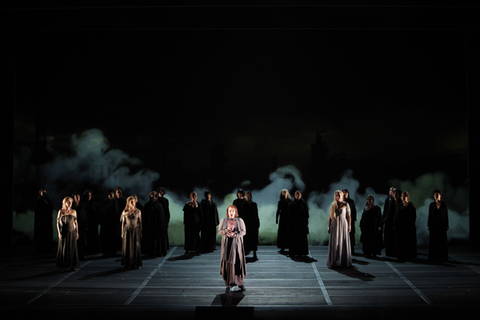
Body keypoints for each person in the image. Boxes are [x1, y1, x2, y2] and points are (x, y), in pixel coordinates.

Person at [218, 205, 247, 292]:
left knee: (237, 263)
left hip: (237, 245)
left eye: (233, 211)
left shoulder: (239, 220)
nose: (231, 213)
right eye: (230, 211)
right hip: (227, 245)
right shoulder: (224, 220)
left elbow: (243, 232)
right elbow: (220, 232)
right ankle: (228, 284)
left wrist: (234, 235)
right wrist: (227, 230)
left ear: (235, 212)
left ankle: (239, 283)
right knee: (228, 263)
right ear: (228, 212)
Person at [327, 190, 352, 268]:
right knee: (335, 241)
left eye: (338, 195)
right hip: (335, 224)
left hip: (343, 224)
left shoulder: (346, 204)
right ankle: (335, 260)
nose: (337, 196)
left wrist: (349, 226)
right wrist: (329, 226)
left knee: (343, 241)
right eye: (336, 195)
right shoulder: (333, 205)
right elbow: (330, 217)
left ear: (341, 196)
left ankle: (343, 261)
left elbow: (349, 216)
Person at [56, 197, 79, 272]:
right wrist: (59, 233)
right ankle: (63, 265)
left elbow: (75, 223)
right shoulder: (61, 211)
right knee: (64, 248)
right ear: (65, 203)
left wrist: (77, 232)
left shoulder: (73, 212)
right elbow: (57, 223)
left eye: (71, 202)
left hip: (72, 232)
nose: (70, 204)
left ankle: (72, 265)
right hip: (64, 232)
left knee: (72, 248)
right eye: (68, 202)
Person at [394, 191, 417, 262]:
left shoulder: (411, 206)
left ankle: (409, 256)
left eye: (404, 196)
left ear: (408, 197)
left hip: (409, 227)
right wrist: (395, 225)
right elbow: (396, 216)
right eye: (402, 196)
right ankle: (401, 256)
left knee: (409, 242)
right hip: (400, 227)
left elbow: (413, 217)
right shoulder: (399, 206)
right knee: (400, 242)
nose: (403, 197)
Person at [143, 191, 167, 257]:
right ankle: (151, 252)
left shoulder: (159, 205)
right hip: (150, 226)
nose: (153, 198)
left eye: (154, 196)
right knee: (151, 240)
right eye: (152, 196)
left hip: (158, 226)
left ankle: (158, 252)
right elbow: (145, 216)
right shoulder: (147, 205)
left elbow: (161, 217)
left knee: (158, 240)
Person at [121, 196, 142, 268]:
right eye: (131, 202)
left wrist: (141, 232)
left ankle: (136, 262)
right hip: (127, 230)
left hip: (136, 230)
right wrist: (122, 233)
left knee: (136, 246)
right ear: (128, 203)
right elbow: (123, 223)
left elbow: (140, 222)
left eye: (134, 202)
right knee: (127, 246)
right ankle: (127, 262)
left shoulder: (138, 211)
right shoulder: (125, 212)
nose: (133, 203)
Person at [428, 189, 449, 262]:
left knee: (442, 241)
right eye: (435, 195)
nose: (436, 196)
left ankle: (442, 257)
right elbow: (430, 215)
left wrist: (446, 224)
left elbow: (446, 215)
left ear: (440, 195)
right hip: (434, 225)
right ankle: (434, 257)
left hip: (441, 225)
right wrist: (429, 225)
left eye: (437, 195)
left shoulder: (444, 204)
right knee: (434, 241)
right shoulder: (432, 205)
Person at [288, 190, 310, 258]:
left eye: (298, 194)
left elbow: (306, 214)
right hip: (294, 223)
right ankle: (293, 252)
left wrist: (306, 223)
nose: (297, 196)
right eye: (296, 195)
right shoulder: (291, 203)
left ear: (300, 195)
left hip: (301, 222)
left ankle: (301, 252)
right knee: (294, 238)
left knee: (301, 238)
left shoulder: (304, 203)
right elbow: (289, 214)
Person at [100, 189, 119, 257]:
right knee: (106, 238)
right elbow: (102, 213)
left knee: (114, 238)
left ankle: (113, 251)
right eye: (110, 194)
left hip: (114, 222)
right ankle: (106, 251)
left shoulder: (116, 203)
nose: (111, 196)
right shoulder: (104, 203)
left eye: (112, 194)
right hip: (106, 223)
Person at [34, 188, 54, 253]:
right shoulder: (38, 201)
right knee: (41, 234)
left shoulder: (47, 200)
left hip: (47, 220)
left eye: (45, 193)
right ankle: (40, 248)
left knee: (47, 234)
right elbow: (37, 211)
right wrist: (39, 221)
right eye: (43, 193)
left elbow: (51, 208)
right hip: (41, 220)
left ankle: (48, 248)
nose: (44, 194)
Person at [182, 191, 202, 256]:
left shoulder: (198, 204)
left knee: (196, 236)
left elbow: (201, 214)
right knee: (188, 236)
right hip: (189, 223)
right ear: (191, 196)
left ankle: (198, 250)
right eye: (193, 196)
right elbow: (185, 214)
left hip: (196, 223)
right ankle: (187, 250)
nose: (194, 197)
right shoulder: (188, 204)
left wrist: (200, 223)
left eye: (195, 196)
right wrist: (185, 222)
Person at [242, 190, 260, 260]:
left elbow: (256, 214)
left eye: (249, 195)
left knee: (254, 238)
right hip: (246, 223)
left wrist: (257, 223)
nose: (248, 196)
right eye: (247, 195)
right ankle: (245, 252)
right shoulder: (243, 205)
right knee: (246, 238)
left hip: (253, 223)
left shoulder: (254, 204)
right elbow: (242, 215)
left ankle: (254, 253)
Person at [383, 187, 400, 257]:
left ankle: (395, 251)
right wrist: (384, 219)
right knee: (388, 237)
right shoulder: (389, 200)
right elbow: (386, 211)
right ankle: (389, 251)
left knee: (394, 237)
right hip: (389, 221)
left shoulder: (398, 201)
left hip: (396, 221)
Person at [82, 189, 100, 255]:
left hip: (93, 223)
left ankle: (94, 250)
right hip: (85, 223)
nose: (89, 197)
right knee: (86, 237)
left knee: (93, 237)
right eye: (87, 195)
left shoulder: (95, 205)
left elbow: (97, 214)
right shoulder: (83, 204)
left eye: (90, 195)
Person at [276, 189, 292, 254]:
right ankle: (282, 247)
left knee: (288, 232)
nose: (284, 193)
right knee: (282, 232)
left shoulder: (290, 201)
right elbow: (278, 210)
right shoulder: (280, 202)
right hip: (282, 218)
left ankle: (289, 247)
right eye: (283, 192)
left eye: (285, 192)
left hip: (288, 218)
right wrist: (276, 219)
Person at [72, 192, 87, 260]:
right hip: (73, 225)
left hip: (81, 225)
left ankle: (81, 255)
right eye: (75, 197)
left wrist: (85, 224)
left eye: (78, 197)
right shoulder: (72, 206)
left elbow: (85, 216)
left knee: (81, 240)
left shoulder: (82, 205)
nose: (77, 198)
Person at [343, 189, 357, 254]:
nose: (344, 194)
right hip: (343, 220)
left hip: (350, 219)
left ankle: (351, 249)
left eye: (345, 193)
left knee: (351, 235)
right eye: (343, 193)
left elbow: (354, 210)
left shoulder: (351, 201)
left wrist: (354, 219)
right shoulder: (341, 201)